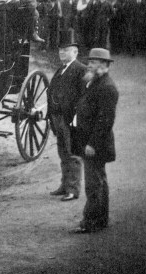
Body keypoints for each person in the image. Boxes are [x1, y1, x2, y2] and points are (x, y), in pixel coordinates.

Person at [72, 48, 118, 234]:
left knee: (93, 184)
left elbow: (105, 121)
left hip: (95, 144)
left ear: (104, 65)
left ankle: (90, 222)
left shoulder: (107, 87)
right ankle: (101, 219)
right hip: (90, 141)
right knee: (99, 180)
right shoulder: (93, 82)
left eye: (93, 63)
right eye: (89, 62)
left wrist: (92, 143)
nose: (89, 65)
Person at [47, 29, 87, 202]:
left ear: (75, 52)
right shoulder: (60, 71)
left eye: (66, 49)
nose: (62, 52)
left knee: (73, 154)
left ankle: (73, 189)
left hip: (71, 119)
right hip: (58, 118)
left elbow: (84, 97)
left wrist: (77, 119)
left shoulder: (81, 70)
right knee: (63, 153)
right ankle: (64, 185)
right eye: (60, 50)